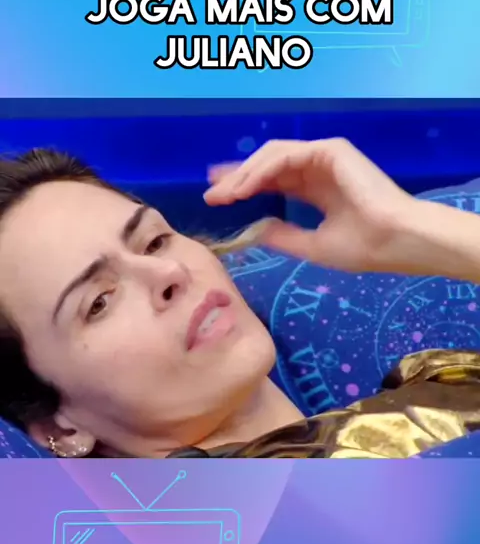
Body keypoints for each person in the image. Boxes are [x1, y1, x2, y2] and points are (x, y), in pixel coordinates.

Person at [1, 137, 480, 460]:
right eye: (99, 302)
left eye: (154, 242)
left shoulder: (434, 384)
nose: (168, 273)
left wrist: (414, 229)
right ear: (59, 428)